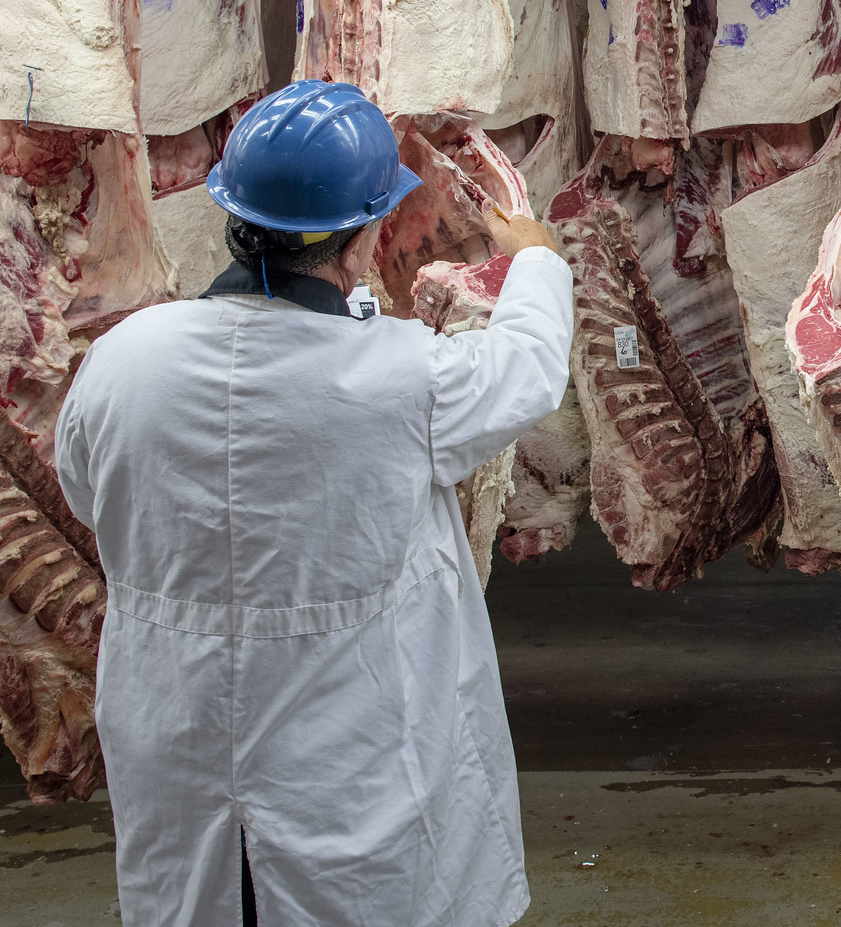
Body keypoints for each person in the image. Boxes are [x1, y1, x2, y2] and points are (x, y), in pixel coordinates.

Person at [55, 81, 572, 927]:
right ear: (367, 240)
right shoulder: (400, 377)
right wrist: (538, 256)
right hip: (348, 763)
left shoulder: (122, 359)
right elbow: (527, 367)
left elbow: (87, 493)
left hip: (174, 740)